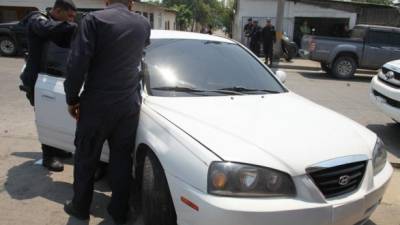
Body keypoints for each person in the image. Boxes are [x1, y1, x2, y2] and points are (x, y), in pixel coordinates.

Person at [63, 0, 151, 223]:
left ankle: (80, 208)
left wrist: (72, 98)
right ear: (131, 2)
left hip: (96, 105)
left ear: (106, 1)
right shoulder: (142, 23)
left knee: (85, 158)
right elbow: (139, 57)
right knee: (121, 160)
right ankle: (119, 212)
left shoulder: (93, 20)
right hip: (129, 105)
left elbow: (76, 64)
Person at [19, 0, 78, 172]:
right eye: (69, 16)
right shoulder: (37, 20)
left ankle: (58, 147)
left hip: (55, 77)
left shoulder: (58, 25)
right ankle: (49, 155)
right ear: (58, 10)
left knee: (60, 116)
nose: (71, 21)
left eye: (74, 18)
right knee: (46, 116)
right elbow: (48, 29)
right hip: (38, 79)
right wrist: (76, 27)